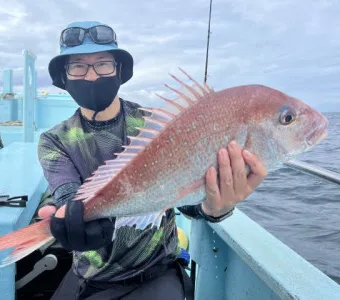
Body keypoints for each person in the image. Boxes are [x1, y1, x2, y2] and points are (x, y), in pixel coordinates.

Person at [36, 20, 268, 300]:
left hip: (157, 271)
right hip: (90, 275)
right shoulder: (54, 140)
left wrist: (216, 207)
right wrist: (72, 220)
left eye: (103, 64)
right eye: (78, 66)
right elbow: (67, 196)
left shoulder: (155, 125)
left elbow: (187, 202)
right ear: (65, 77)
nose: (92, 76)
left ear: (119, 71)